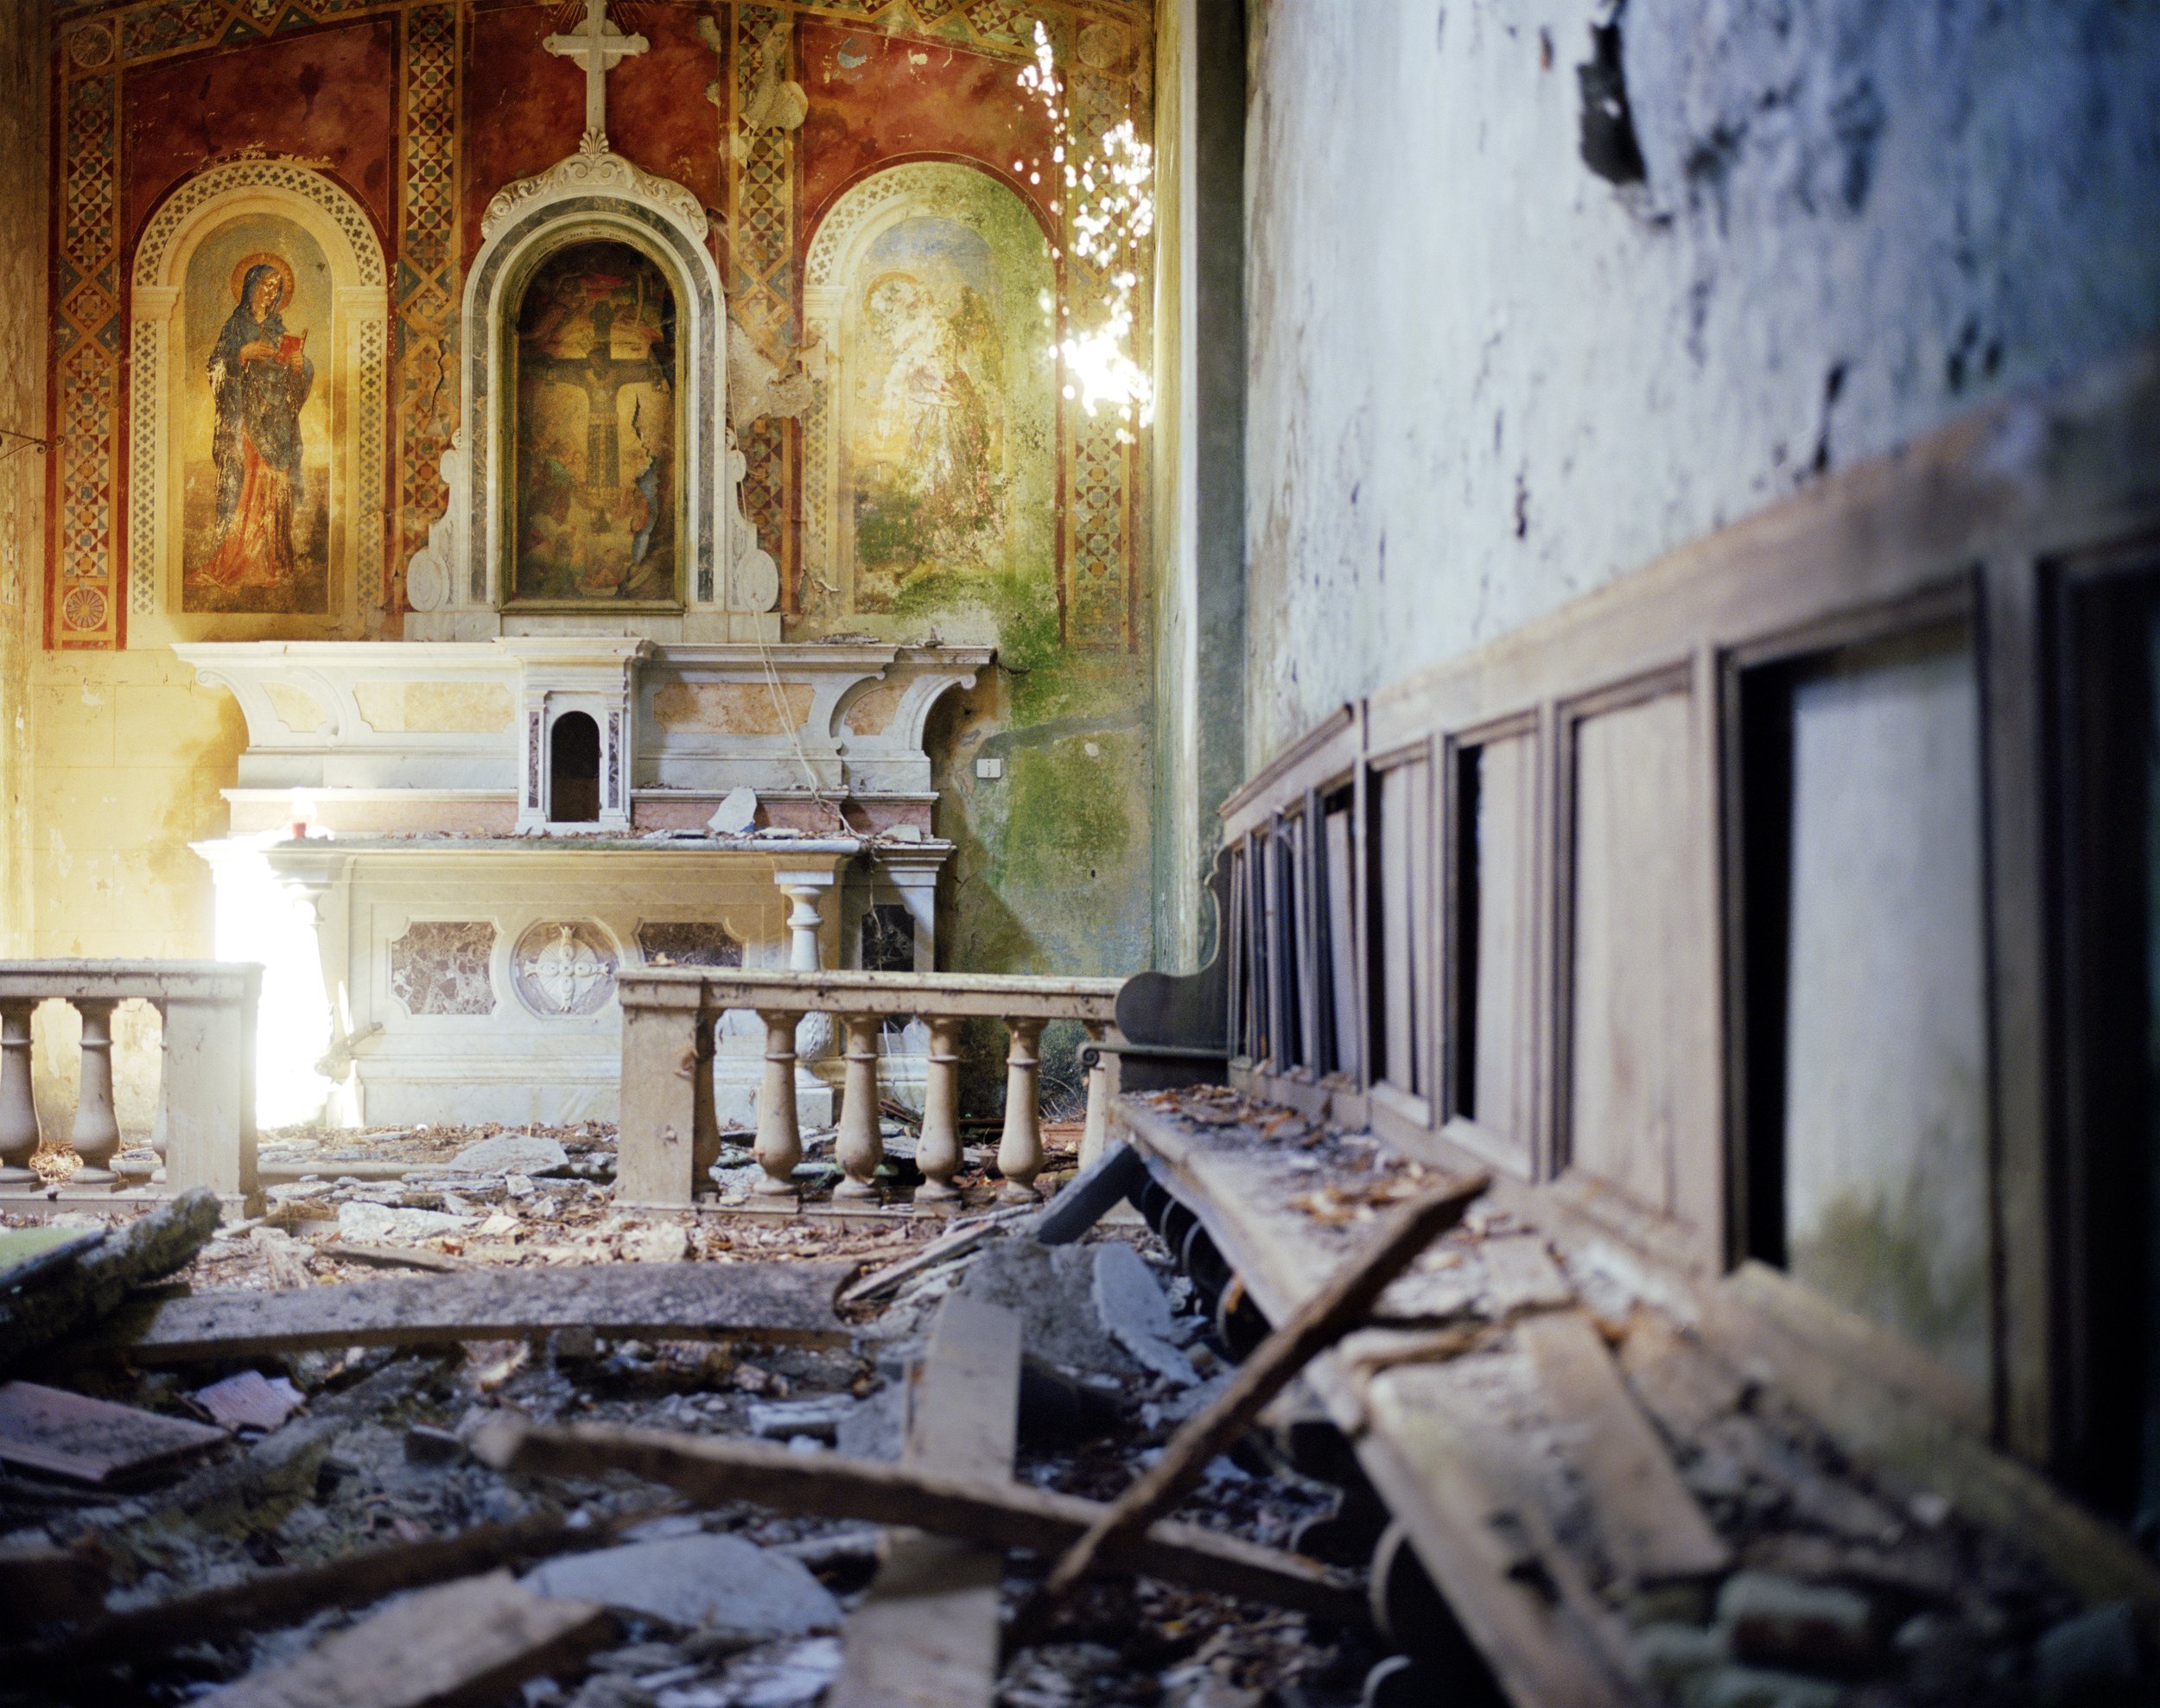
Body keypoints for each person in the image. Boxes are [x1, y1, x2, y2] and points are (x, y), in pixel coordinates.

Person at [200, 262, 313, 591]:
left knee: (274, 486)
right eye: (265, 284)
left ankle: (271, 563)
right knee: (248, 483)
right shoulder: (235, 326)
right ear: (250, 286)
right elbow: (215, 367)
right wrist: (242, 354)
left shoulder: (279, 331)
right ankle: (238, 560)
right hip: (245, 418)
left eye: (276, 287)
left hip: (276, 423)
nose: (271, 292)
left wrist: (298, 366)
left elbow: (291, 385)